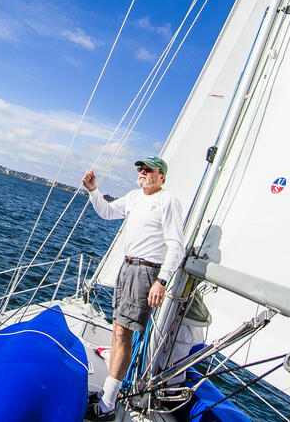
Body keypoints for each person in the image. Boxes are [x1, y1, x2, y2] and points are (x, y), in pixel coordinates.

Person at [82, 155, 185, 420]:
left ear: (161, 176)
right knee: (117, 331)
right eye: (141, 168)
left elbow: (176, 245)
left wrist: (161, 281)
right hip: (127, 268)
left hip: (146, 272)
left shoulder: (167, 200)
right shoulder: (133, 197)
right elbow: (107, 212)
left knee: (123, 336)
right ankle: (108, 394)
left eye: (148, 169)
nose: (142, 171)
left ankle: (106, 405)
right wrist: (94, 191)